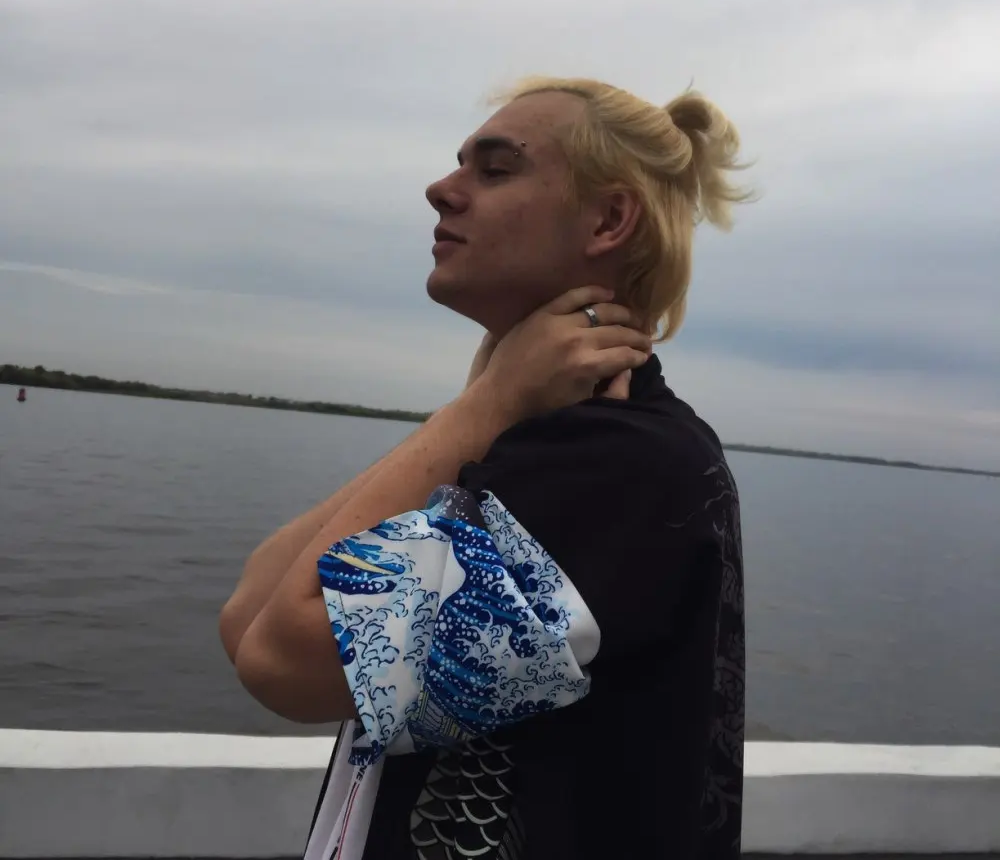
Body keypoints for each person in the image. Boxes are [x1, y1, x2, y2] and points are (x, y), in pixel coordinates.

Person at [220, 77, 749, 860]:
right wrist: (483, 407)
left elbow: (281, 661)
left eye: (495, 170)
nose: (441, 189)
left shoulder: (623, 466)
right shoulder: (546, 440)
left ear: (609, 220)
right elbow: (247, 612)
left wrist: (482, 408)